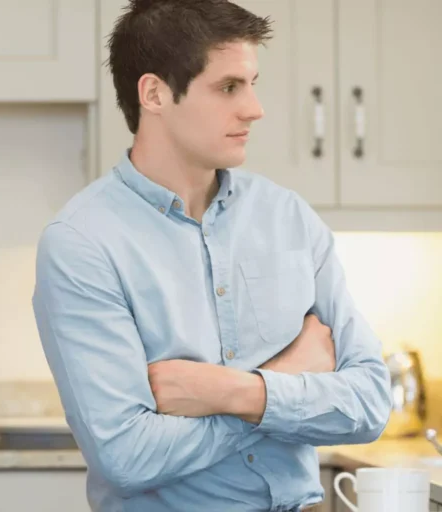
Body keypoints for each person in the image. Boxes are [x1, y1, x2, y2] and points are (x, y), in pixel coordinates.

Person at [32, 0, 392, 510]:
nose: (255, 108)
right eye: (228, 87)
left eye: (252, 83)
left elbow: (372, 402)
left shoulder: (289, 218)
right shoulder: (82, 242)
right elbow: (127, 455)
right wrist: (288, 379)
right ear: (154, 93)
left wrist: (234, 393)